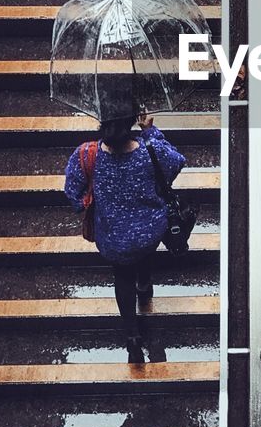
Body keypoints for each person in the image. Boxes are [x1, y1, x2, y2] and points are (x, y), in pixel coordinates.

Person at [64, 109, 186, 350]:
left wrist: (91, 203)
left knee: (122, 276)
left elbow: (74, 195)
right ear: (131, 122)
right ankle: (145, 283)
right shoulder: (151, 150)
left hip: (113, 236)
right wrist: (149, 131)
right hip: (150, 231)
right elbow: (176, 162)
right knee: (144, 256)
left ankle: (132, 335)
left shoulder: (87, 155)